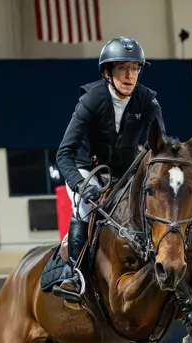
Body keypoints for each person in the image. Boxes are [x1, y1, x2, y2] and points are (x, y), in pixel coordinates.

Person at [48, 36, 166, 303]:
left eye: (135, 68)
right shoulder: (91, 100)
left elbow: (160, 147)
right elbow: (63, 154)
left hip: (123, 174)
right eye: (122, 68)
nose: (129, 75)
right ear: (107, 72)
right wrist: (80, 186)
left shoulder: (147, 100)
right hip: (84, 171)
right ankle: (75, 276)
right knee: (84, 208)